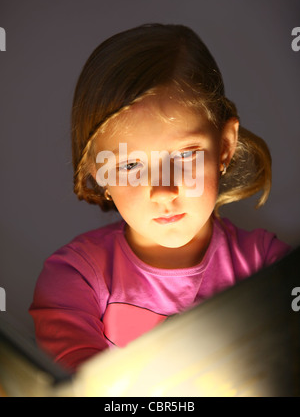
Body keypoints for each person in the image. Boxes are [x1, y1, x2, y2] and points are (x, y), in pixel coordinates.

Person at [29, 24, 290, 373]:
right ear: (98, 172)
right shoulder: (75, 280)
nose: (164, 191)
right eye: (132, 164)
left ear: (224, 147)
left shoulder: (270, 267)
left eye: (185, 157)